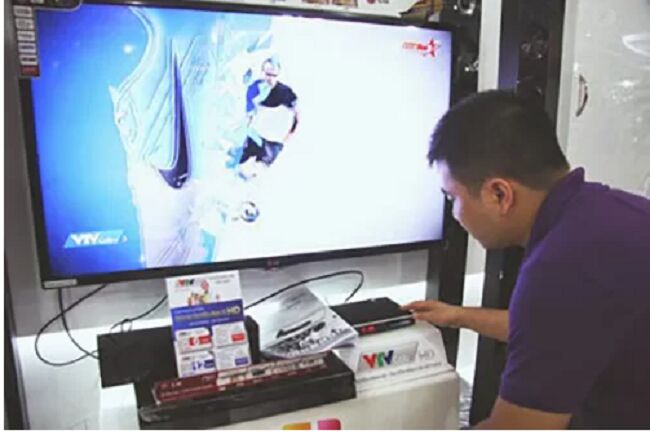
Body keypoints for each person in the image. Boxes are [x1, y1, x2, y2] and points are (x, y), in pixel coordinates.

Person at [403, 90, 650, 429]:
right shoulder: (604, 211)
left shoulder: (561, 267)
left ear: (499, 194)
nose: (455, 214)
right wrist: (458, 316)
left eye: (452, 198)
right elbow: (557, 329)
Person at [236, 57, 299, 180]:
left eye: (274, 75)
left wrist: (289, 135)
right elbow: (249, 115)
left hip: (274, 141)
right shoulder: (254, 89)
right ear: (262, 72)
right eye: (267, 74)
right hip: (255, 135)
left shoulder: (286, 92)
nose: (270, 78)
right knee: (242, 169)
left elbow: (297, 114)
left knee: (260, 174)